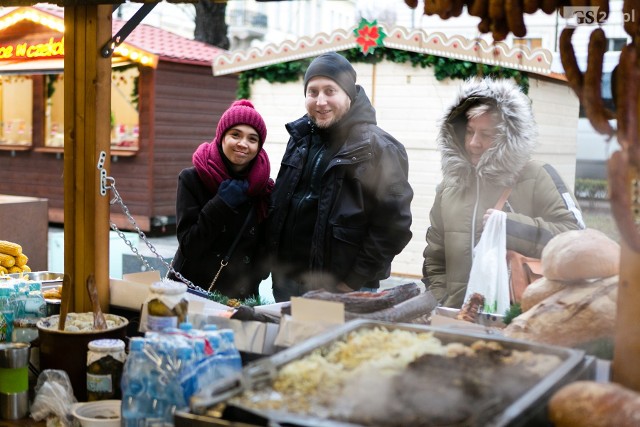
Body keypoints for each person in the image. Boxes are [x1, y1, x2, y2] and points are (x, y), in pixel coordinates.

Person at [422, 77, 585, 308]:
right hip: (457, 319)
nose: (473, 143)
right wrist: (442, 299)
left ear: (510, 138)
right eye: (469, 132)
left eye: (486, 135)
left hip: (521, 319)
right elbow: (435, 257)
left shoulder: (538, 175)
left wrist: (509, 226)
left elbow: (576, 239)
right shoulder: (449, 187)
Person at [267, 51, 414, 302]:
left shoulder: (379, 147)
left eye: (330, 91)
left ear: (349, 94)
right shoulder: (299, 139)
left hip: (344, 290)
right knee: (289, 342)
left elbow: (393, 227)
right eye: (312, 92)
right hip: (287, 284)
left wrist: (352, 281)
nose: (320, 101)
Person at [168, 99, 273, 300]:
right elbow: (189, 245)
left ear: (259, 146)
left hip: (240, 295)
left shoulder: (263, 187)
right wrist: (221, 203)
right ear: (222, 136)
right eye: (235, 135)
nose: (243, 144)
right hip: (195, 291)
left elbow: (265, 245)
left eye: (253, 139)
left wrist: (255, 276)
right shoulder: (193, 178)